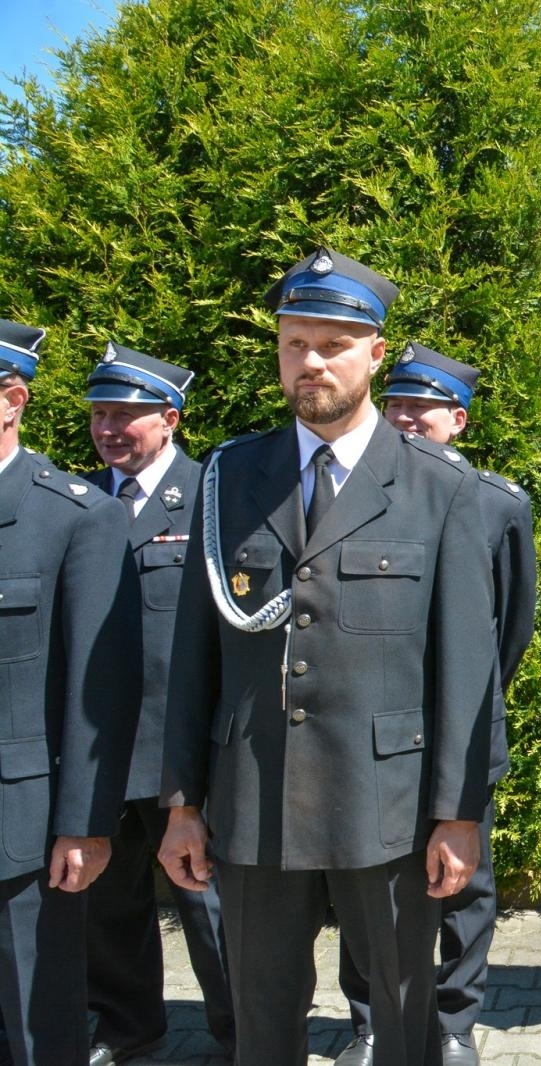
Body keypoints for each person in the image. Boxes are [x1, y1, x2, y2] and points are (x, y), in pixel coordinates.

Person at [158, 249, 497, 1066]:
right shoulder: (230, 476)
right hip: (252, 797)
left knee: (404, 1018)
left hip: (389, 803)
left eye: (333, 344)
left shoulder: (439, 486)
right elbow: (191, 656)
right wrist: (180, 803)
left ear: (376, 354)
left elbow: (466, 668)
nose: (311, 362)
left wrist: (460, 814)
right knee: (260, 1017)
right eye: (294, 343)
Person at [329, 343, 538, 1066]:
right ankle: (368, 1019)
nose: (408, 417)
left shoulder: (497, 503)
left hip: (458, 732)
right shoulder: (350, 489)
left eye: (425, 407)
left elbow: (509, 629)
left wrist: (466, 707)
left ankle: (452, 1020)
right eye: (397, 405)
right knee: (364, 882)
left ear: (461, 419)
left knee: (465, 887)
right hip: (370, 735)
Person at [81, 343, 234, 1064]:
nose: (110, 429)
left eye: (128, 416)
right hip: (101, 750)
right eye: (100, 415)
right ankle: (128, 1030)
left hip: (186, 753)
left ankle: (247, 1034)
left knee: (212, 909)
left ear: (169, 419)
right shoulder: (78, 503)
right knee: (109, 911)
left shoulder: (213, 499)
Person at [0, 318, 140, 1063]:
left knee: (36, 1030)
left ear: (12, 399)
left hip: (17, 830)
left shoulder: (76, 517)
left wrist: (86, 825)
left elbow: (102, 689)